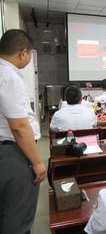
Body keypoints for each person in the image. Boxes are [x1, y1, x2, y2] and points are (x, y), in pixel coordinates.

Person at [0, 29, 46, 233]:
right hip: (14, 152)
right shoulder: (8, 76)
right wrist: (37, 162)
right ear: (23, 52)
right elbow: (19, 127)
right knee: (18, 218)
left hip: (8, 150)